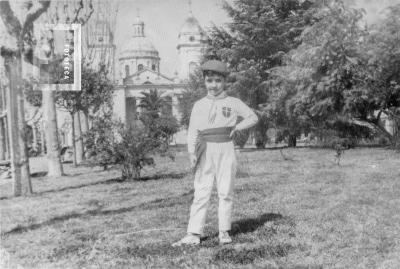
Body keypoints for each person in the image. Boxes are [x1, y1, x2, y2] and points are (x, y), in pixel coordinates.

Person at [172, 60, 258, 246]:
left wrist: (237, 126)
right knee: (201, 191)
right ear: (204, 81)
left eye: (218, 80)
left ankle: (224, 231)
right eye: (210, 80)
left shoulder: (233, 102)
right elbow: (193, 130)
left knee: (225, 191)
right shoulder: (199, 105)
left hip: (226, 149)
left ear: (225, 81)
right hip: (205, 150)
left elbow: (252, 117)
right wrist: (191, 152)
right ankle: (194, 233)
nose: (214, 85)